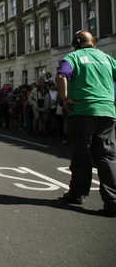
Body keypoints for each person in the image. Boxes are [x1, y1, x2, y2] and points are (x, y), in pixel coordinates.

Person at [57, 30, 116, 217]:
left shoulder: (73, 57)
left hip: (82, 111)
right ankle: (113, 201)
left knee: (82, 154)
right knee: (107, 156)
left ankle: (77, 194)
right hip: (107, 112)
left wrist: (65, 99)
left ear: (76, 43)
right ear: (94, 42)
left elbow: (61, 76)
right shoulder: (107, 58)